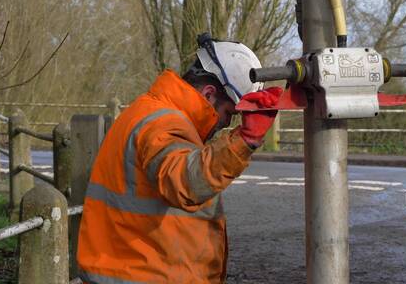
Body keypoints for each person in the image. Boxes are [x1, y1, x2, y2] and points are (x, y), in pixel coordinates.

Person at [77, 33, 283, 283]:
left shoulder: (153, 113)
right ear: (209, 94)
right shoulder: (163, 123)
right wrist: (245, 139)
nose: (229, 122)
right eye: (229, 112)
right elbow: (186, 182)